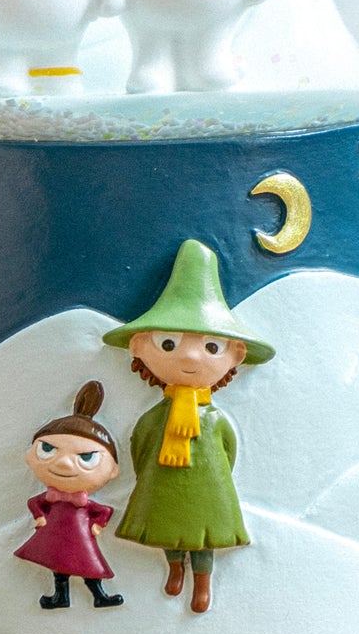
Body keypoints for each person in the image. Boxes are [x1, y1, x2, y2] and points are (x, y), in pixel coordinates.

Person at [103, 239, 274, 614]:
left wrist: (214, 478)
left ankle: (203, 583)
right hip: (162, 484)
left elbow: (227, 452)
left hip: (208, 489)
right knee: (168, 530)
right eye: (169, 343)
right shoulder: (155, 417)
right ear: (138, 346)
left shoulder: (214, 419)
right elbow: (141, 447)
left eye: (212, 347)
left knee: (204, 539)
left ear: (236, 355)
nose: (192, 356)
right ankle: (174, 568)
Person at [14, 381, 125, 610]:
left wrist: (97, 525)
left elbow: (104, 511)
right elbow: (35, 503)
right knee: (59, 568)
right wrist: (39, 517)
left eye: (86, 457)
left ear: (112, 469)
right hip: (55, 538)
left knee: (88, 567)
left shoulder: (82, 502)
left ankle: (100, 596)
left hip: (81, 539)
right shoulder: (52, 497)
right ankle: (60, 597)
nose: (64, 463)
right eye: (48, 449)